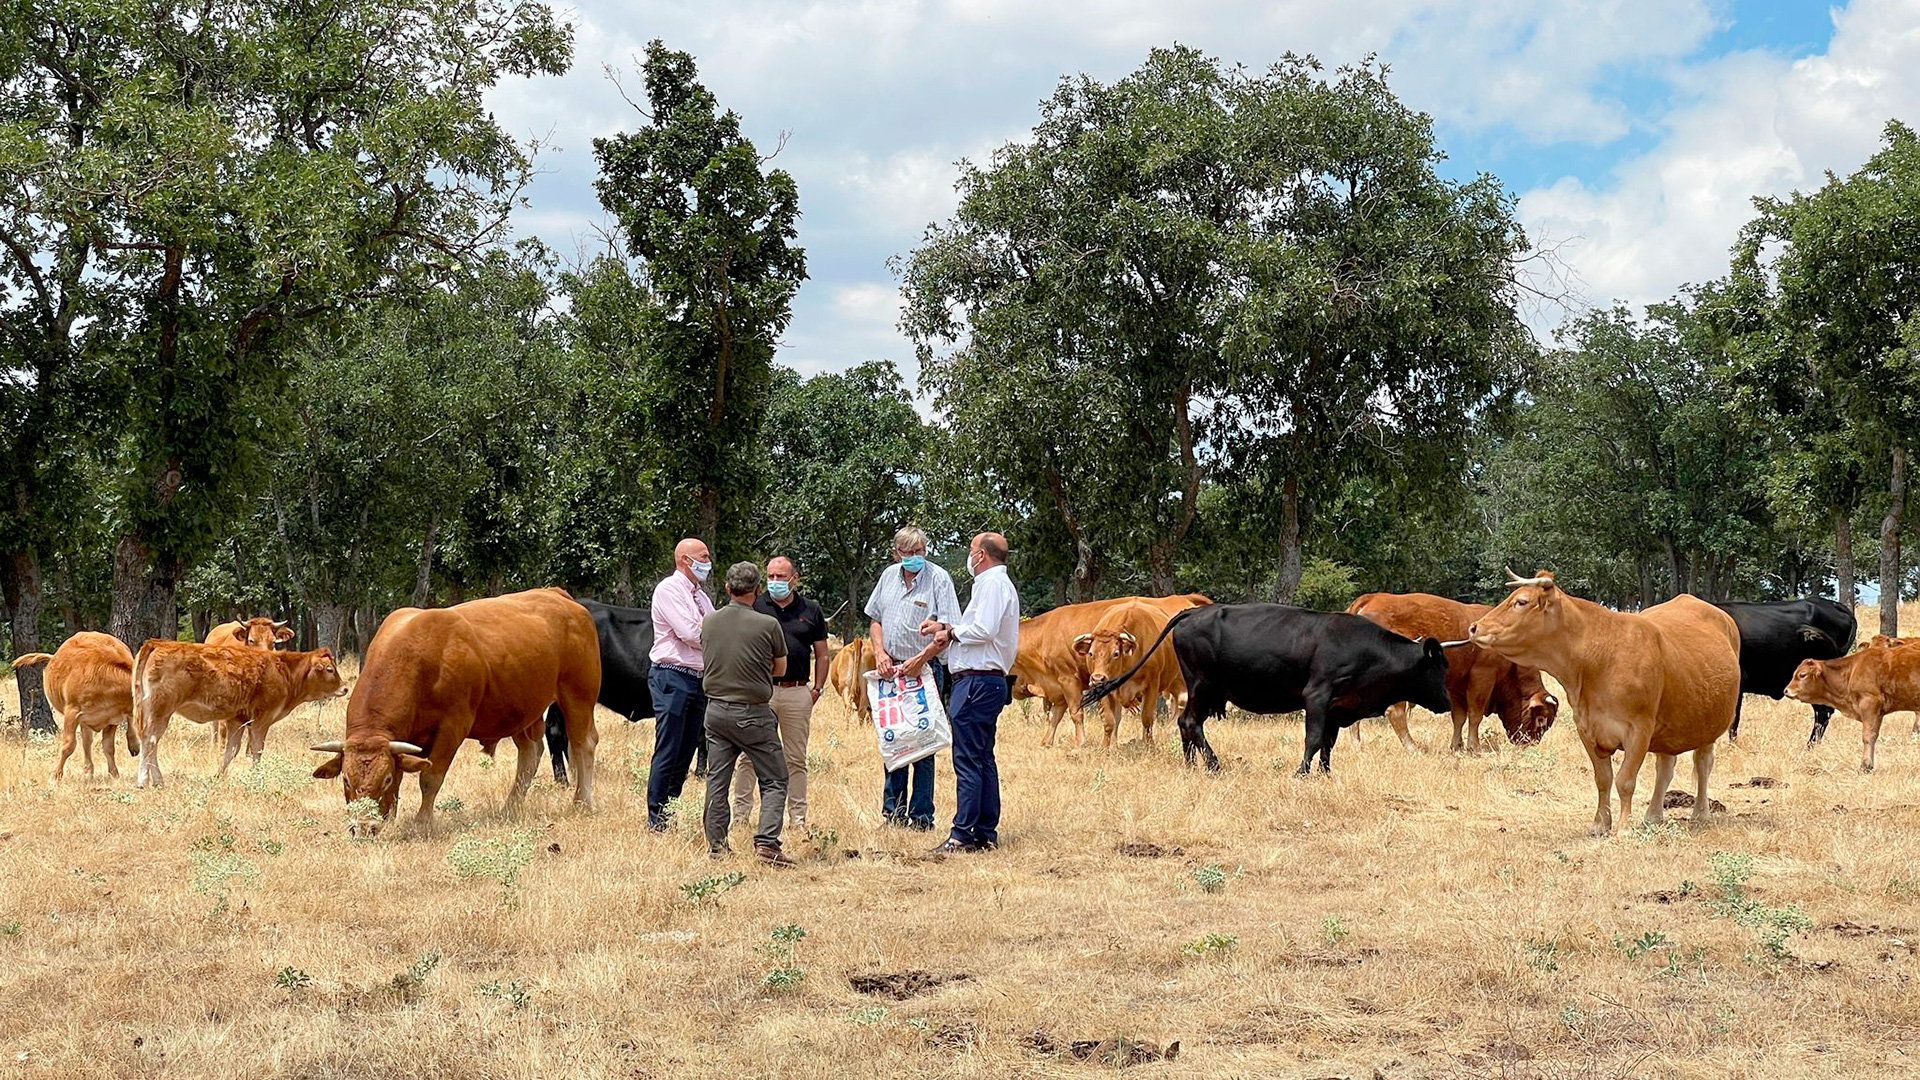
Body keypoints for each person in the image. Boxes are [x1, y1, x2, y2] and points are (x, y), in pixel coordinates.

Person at [920, 532, 1020, 853]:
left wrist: (950, 633)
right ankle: (984, 830)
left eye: (971, 550)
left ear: (981, 556)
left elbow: (983, 630)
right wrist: (946, 628)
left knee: (967, 760)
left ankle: (962, 833)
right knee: (982, 757)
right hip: (986, 680)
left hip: (976, 682)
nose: (969, 556)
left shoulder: (992, 584)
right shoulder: (995, 585)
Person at [700, 562, 795, 866]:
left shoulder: (709, 621)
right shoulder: (767, 625)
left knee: (717, 780)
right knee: (776, 778)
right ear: (758, 590)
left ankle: (716, 846)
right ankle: (767, 843)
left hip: (714, 711)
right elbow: (779, 669)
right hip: (752, 713)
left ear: (727, 589)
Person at [864, 526, 959, 829]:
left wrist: (921, 658)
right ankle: (892, 813)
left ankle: (921, 816)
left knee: (922, 741)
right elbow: (875, 619)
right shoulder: (888, 577)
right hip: (890, 670)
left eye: (920, 552)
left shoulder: (939, 579)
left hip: (926, 669)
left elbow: (947, 631)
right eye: (909, 553)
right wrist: (880, 653)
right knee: (894, 739)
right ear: (897, 553)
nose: (916, 558)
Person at [732, 556, 830, 832]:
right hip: (759, 691)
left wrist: (817, 689)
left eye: (781, 576)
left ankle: (797, 820)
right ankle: (740, 817)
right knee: (748, 756)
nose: (775, 582)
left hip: (797, 691)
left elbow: (822, 654)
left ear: (795, 578)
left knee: (796, 759)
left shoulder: (811, 610)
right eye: (771, 576)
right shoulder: (756, 606)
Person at [646, 537, 714, 832]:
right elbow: (689, 632)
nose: (708, 563)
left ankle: (669, 808)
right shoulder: (669, 589)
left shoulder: (701, 596)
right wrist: (711, 635)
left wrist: (709, 633)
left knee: (687, 749)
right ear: (685, 560)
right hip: (672, 676)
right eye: (703, 557)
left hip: (699, 679)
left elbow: (711, 628)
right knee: (669, 747)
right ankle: (656, 817)